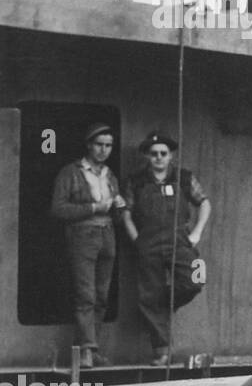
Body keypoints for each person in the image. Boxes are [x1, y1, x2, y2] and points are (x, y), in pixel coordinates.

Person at [122, 132, 210, 365]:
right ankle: (161, 352)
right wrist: (136, 239)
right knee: (149, 295)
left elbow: (205, 203)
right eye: (154, 154)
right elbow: (126, 212)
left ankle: (161, 305)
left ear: (170, 155)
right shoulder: (136, 181)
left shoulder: (183, 177)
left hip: (179, 241)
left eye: (163, 153)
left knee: (195, 278)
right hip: (148, 244)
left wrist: (197, 233)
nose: (159, 158)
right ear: (147, 156)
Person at [50, 123, 127, 368]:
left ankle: (92, 349)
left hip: (108, 234)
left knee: (102, 296)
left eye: (108, 145)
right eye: (99, 144)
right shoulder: (70, 172)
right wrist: (93, 208)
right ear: (88, 145)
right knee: (86, 294)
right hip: (82, 235)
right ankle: (86, 350)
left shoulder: (110, 174)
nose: (104, 150)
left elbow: (116, 209)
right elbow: (58, 209)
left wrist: (119, 207)